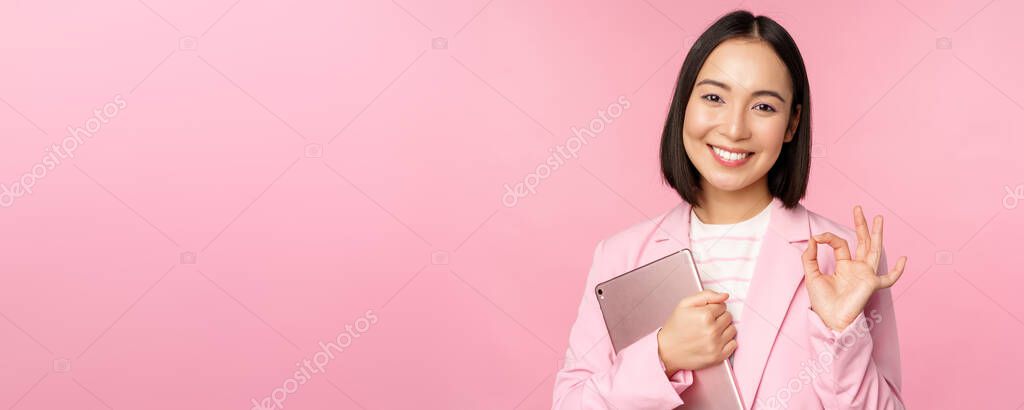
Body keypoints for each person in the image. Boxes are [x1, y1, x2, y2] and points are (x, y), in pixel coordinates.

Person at [552, 10, 907, 409]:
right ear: (684, 103)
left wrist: (840, 333)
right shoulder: (619, 256)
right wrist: (662, 356)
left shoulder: (843, 260)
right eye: (714, 98)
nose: (735, 128)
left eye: (764, 108)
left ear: (792, 125)